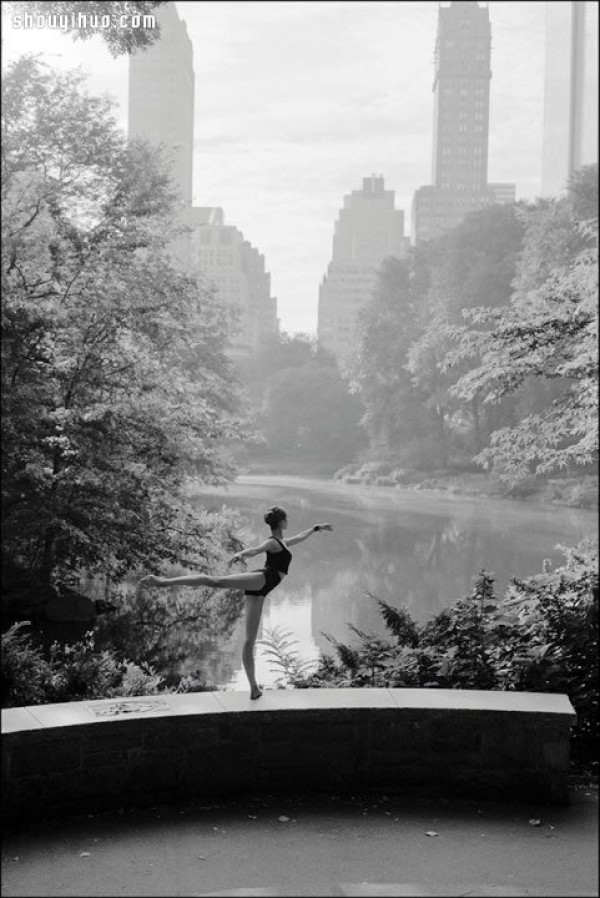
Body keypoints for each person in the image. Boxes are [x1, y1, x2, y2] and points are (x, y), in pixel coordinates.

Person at [139, 506, 333, 700]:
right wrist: (241, 555)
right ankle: (163, 582)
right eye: (286, 519)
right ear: (282, 522)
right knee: (215, 581)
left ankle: (254, 689)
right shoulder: (273, 542)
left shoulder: (282, 542)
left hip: (261, 591)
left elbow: (299, 537)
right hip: (263, 579)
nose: (288, 521)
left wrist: (315, 528)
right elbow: (257, 550)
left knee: (249, 640)